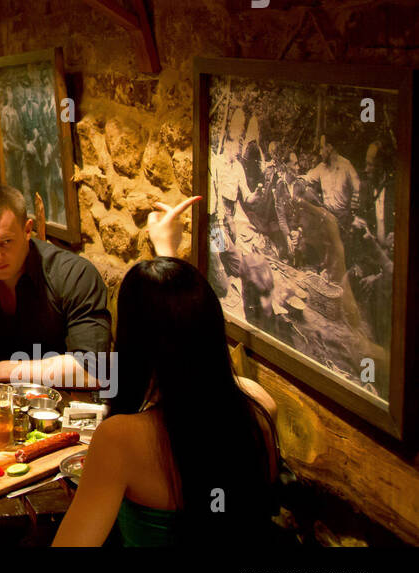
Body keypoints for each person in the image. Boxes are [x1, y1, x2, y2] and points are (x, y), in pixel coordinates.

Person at [53, 196, 280, 546]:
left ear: (128, 341)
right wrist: (165, 251)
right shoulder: (259, 407)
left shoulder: (120, 439)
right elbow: (187, 338)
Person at [0, 185, 110, 388]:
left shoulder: (73, 275)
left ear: (27, 230)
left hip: (70, 403)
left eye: (5, 241)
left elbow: (94, 370)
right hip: (7, 403)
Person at [304, 134, 360, 230]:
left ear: (329, 147)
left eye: (322, 148)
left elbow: (358, 188)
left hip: (344, 219)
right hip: (327, 217)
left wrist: (352, 214)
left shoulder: (346, 165)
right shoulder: (321, 167)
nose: (320, 152)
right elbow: (307, 178)